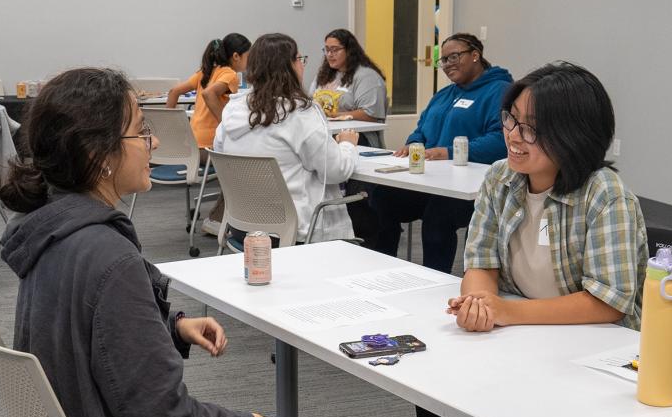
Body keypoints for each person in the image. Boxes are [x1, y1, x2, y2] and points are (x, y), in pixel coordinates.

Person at [0, 68, 320, 417]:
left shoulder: (49, 230)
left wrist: (171, 325)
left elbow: (83, 327)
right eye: (140, 132)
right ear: (99, 153)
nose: (152, 144)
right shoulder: (110, 258)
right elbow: (162, 416)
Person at [418, 62, 650, 417]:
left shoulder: (605, 195)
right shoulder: (501, 177)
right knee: (441, 411)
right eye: (511, 120)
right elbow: (479, 260)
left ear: (574, 133)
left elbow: (608, 303)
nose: (514, 135)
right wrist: (479, 301)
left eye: (532, 128)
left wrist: (504, 312)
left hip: (591, 351)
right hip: (526, 340)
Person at [371, 33, 512, 273]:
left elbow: (500, 141)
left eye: (454, 57)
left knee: (438, 214)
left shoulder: (500, 91)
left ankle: (435, 280)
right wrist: (413, 143)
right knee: (382, 197)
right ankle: (383, 272)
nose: (448, 64)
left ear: (475, 55)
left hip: (470, 189)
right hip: (431, 182)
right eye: (443, 60)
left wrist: (447, 152)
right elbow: (421, 130)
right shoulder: (444, 95)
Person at [214, 33, 359, 243]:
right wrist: (347, 144)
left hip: (242, 228)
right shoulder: (301, 114)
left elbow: (220, 153)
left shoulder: (232, 110)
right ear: (288, 67)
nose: (303, 65)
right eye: (299, 59)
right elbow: (335, 172)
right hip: (294, 233)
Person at [166, 33, 251, 234]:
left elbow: (173, 92)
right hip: (208, 147)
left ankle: (226, 217)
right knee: (243, 166)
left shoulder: (206, 72)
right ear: (237, 56)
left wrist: (169, 134)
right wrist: (227, 124)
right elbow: (209, 94)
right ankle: (216, 220)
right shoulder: (229, 74)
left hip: (193, 147)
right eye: (249, 55)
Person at [309, 28, 387, 148]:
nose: (329, 54)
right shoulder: (324, 75)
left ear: (349, 51)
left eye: (335, 50)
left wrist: (333, 115)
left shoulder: (367, 76)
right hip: (324, 133)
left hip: (357, 137)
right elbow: (310, 103)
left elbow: (370, 114)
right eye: (327, 50)